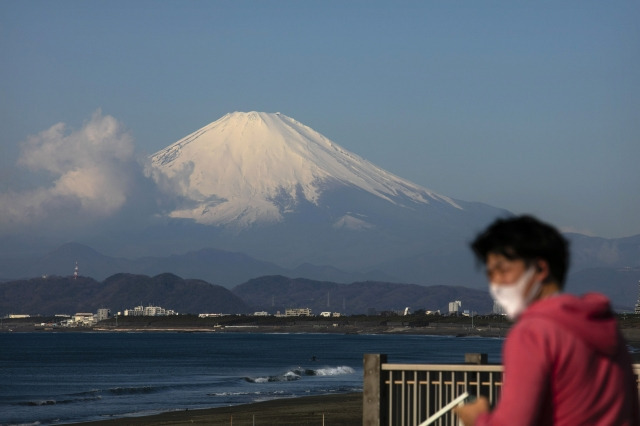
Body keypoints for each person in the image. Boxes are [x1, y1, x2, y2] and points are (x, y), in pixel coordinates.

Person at [454, 215, 639, 426]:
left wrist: (478, 419)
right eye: (491, 274)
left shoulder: (533, 333)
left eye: (503, 271)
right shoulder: (605, 326)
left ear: (540, 269)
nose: (496, 283)